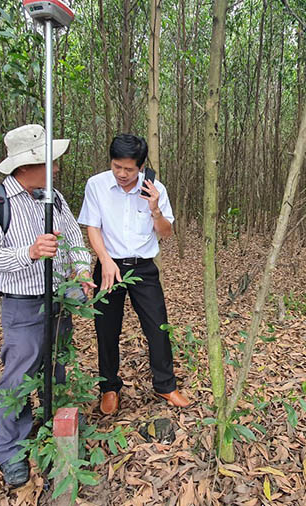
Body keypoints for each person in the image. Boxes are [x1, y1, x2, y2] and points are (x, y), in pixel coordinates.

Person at [0, 124, 94, 488]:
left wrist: (81, 269)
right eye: (49, 161)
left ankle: (55, 427)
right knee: (18, 379)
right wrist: (30, 252)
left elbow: (73, 238)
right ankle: (10, 451)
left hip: (60, 300)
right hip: (22, 306)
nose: (56, 166)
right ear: (26, 166)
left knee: (56, 369)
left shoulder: (54, 197)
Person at [77, 134, 190, 415]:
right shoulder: (97, 185)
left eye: (129, 169)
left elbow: (166, 232)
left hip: (143, 268)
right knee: (106, 330)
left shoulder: (155, 188)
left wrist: (155, 209)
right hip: (109, 264)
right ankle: (109, 388)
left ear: (141, 167)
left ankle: (165, 385)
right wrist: (105, 260)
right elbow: (93, 226)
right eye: (117, 167)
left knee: (157, 327)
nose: (122, 174)